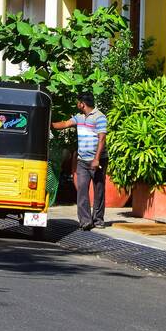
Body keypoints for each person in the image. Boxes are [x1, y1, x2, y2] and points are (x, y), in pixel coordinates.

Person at [53, 93, 108, 230]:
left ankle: (98, 220)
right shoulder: (79, 117)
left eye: (78, 102)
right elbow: (65, 123)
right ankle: (85, 221)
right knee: (82, 189)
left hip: (98, 160)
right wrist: (49, 124)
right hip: (82, 161)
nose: (77, 104)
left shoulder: (100, 117)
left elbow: (102, 139)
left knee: (99, 190)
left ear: (82, 104)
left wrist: (96, 159)